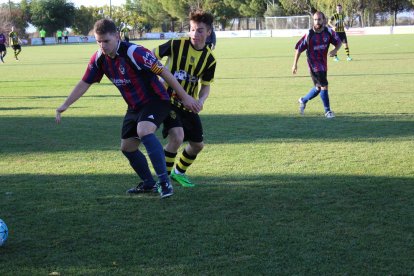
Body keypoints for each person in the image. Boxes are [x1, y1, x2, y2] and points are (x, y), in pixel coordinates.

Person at [55, 19, 201, 198]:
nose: (102, 46)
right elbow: (85, 82)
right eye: (98, 41)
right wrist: (66, 104)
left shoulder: (136, 53)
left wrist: (185, 97)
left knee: (144, 129)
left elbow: (164, 72)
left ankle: (164, 182)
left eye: (106, 41)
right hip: (134, 107)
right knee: (127, 147)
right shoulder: (99, 59)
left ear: (117, 36)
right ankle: (149, 183)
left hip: (157, 100)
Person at [153, 9, 217, 187]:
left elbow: (206, 85)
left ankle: (177, 172)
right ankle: (163, 180)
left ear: (209, 32)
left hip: (188, 104)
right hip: (167, 101)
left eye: (200, 30)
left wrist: (201, 101)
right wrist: (157, 75)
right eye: (192, 29)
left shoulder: (209, 59)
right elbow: (150, 56)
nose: (195, 34)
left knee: (198, 145)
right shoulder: (176, 44)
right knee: (177, 137)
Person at [292, 11, 342, 119]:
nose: (317, 21)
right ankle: (327, 111)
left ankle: (303, 100)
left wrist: (335, 50)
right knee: (324, 86)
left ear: (323, 20)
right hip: (313, 64)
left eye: (319, 19)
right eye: (315, 19)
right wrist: (294, 65)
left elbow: (339, 41)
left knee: (318, 88)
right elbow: (298, 50)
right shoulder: (309, 34)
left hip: (323, 64)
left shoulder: (328, 32)